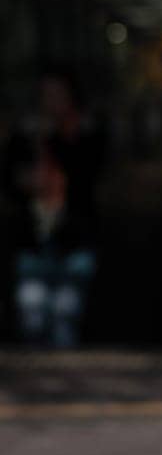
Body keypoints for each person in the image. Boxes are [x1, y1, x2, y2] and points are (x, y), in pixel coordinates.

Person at [1, 63, 107, 347]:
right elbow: (9, 176)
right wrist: (23, 180)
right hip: (33, 235)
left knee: (66, 314)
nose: (51, 101)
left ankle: (65, 382)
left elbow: (87, 174)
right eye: (46, 94)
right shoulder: (24, 134)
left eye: (58, 93)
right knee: (32, 313)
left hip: (74, 234)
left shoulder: (86, 131)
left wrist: (54, 139)